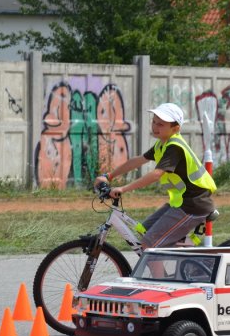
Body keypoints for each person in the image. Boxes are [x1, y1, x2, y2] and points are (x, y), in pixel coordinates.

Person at [93, 102, 217, 249]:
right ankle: (179, 255)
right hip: (180, 203)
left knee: (149, 243)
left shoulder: (174, 148)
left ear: (175, 128)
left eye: (161, 124)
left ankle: (169, 261)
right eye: (154, 122)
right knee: (145, 231)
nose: (155, 127)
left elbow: (156, 174)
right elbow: (138, 160)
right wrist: (109, 176)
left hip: (193, 205)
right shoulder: (161, 145)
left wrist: (123, 189)